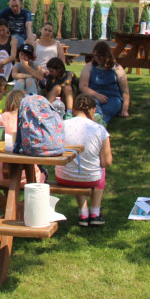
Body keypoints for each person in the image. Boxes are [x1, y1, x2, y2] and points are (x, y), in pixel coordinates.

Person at [56, 95, 113, 227]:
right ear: (93, 110)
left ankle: (83, 212)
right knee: (98, 169)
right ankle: (95, 212)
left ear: (74, 110)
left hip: (64, 176)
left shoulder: (61, 125)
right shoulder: (100, 129)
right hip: (90, 178)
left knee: (77, 166)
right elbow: (107, 162)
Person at [79, 41, 130, 125]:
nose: (98, 58)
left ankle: (101, 121)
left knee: (110, 109)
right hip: (94, 96)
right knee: (93, 104)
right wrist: (97, 95)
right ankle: (97, 118)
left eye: (100, 56)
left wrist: (124, 110)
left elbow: (125, 91)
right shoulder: (90, 66)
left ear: (107, 55)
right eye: (96, 56)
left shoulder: (117, 68)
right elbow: (82, 86)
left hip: (113, 98)